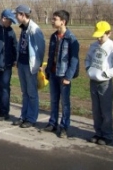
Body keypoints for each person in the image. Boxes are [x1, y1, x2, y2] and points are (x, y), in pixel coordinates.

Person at [43, 10, 80, 138]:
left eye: (55, 19)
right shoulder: (54, 37)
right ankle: (53, 123)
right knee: (54, 100)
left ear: (63, 22)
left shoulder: (71, 38)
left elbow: (74, 60)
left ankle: (64, 127)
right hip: (53, 74)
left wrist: (68, 77)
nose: (53, 21)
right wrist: (48, 70)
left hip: (63, 75)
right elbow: (51, 55)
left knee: (65, 103)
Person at [85, 21, 113, 146]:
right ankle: (98, 132)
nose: (99, 38)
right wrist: (88, 68)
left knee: (106, 111)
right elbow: (88, 58)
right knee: (96, 110)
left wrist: (106, 74)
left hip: (105, 83)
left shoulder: (112, 48)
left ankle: (107, 135)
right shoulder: (94, 45)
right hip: (93, 81)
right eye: (97, 36)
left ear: (109, 33)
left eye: (102, 36)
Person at [13, 4, 45, 128]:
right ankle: (23, 116)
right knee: (24, 92)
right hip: (21, 64)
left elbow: (40, 48)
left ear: (23, 14)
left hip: (30, 65)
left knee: (32, 93)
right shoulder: (23, 28)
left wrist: (39, 64)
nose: (16, 16)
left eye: (17, 14)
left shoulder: (34, 29)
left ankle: (31, 118)